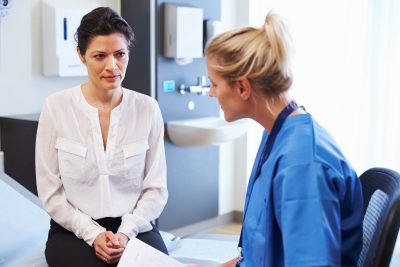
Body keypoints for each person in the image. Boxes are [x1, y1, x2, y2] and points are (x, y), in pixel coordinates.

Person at [204, 12, 364, 267]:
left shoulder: (303, 163)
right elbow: (262, 251)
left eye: (214, 84)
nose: (211, 93)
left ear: (243, 88)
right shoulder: (279, 135)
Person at [35, 7, 168, 267]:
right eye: (99, 56)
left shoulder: (147, 108)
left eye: (120, 54)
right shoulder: (56, 108)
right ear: (81, 56)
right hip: (72, 228)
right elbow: (51, 192)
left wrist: (125, 233)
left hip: (134, 227)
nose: (112, 66)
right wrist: (93, 233)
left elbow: (155, 189)